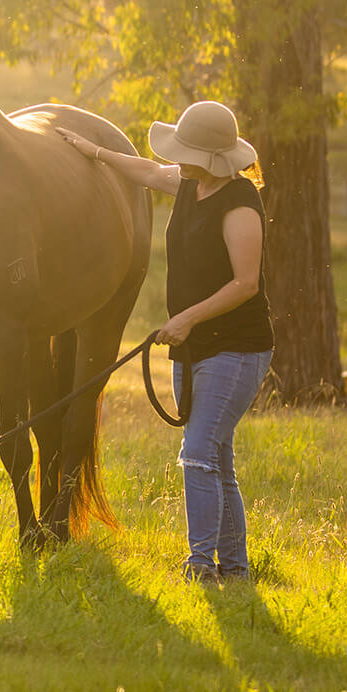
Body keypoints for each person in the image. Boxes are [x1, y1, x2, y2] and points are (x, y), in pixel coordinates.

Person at [59, 101, 273, 584]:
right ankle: (236, 569)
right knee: (216, 459)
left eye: (187, 149)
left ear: (210, 156)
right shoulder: (191, 184)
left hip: (236, 349)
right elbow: (148, 171)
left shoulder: (240, 203)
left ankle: (200, 566)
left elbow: (246, 284)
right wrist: (95, 151)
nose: (178, 158)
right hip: (194, 347)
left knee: (197, 453)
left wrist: (187, 320)